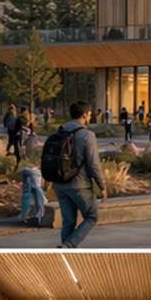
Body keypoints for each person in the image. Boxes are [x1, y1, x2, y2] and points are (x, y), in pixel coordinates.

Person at [47, 102, 105, 249]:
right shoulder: (87, 135)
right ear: (84, 114)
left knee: (68, 221)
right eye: (90, 114)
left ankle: (65, 249)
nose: (91, 116)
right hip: (79, 185)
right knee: (92, 216)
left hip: (59, 184)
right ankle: (69, 245)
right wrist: (102, 186)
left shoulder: (59, 131)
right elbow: (93, 164)